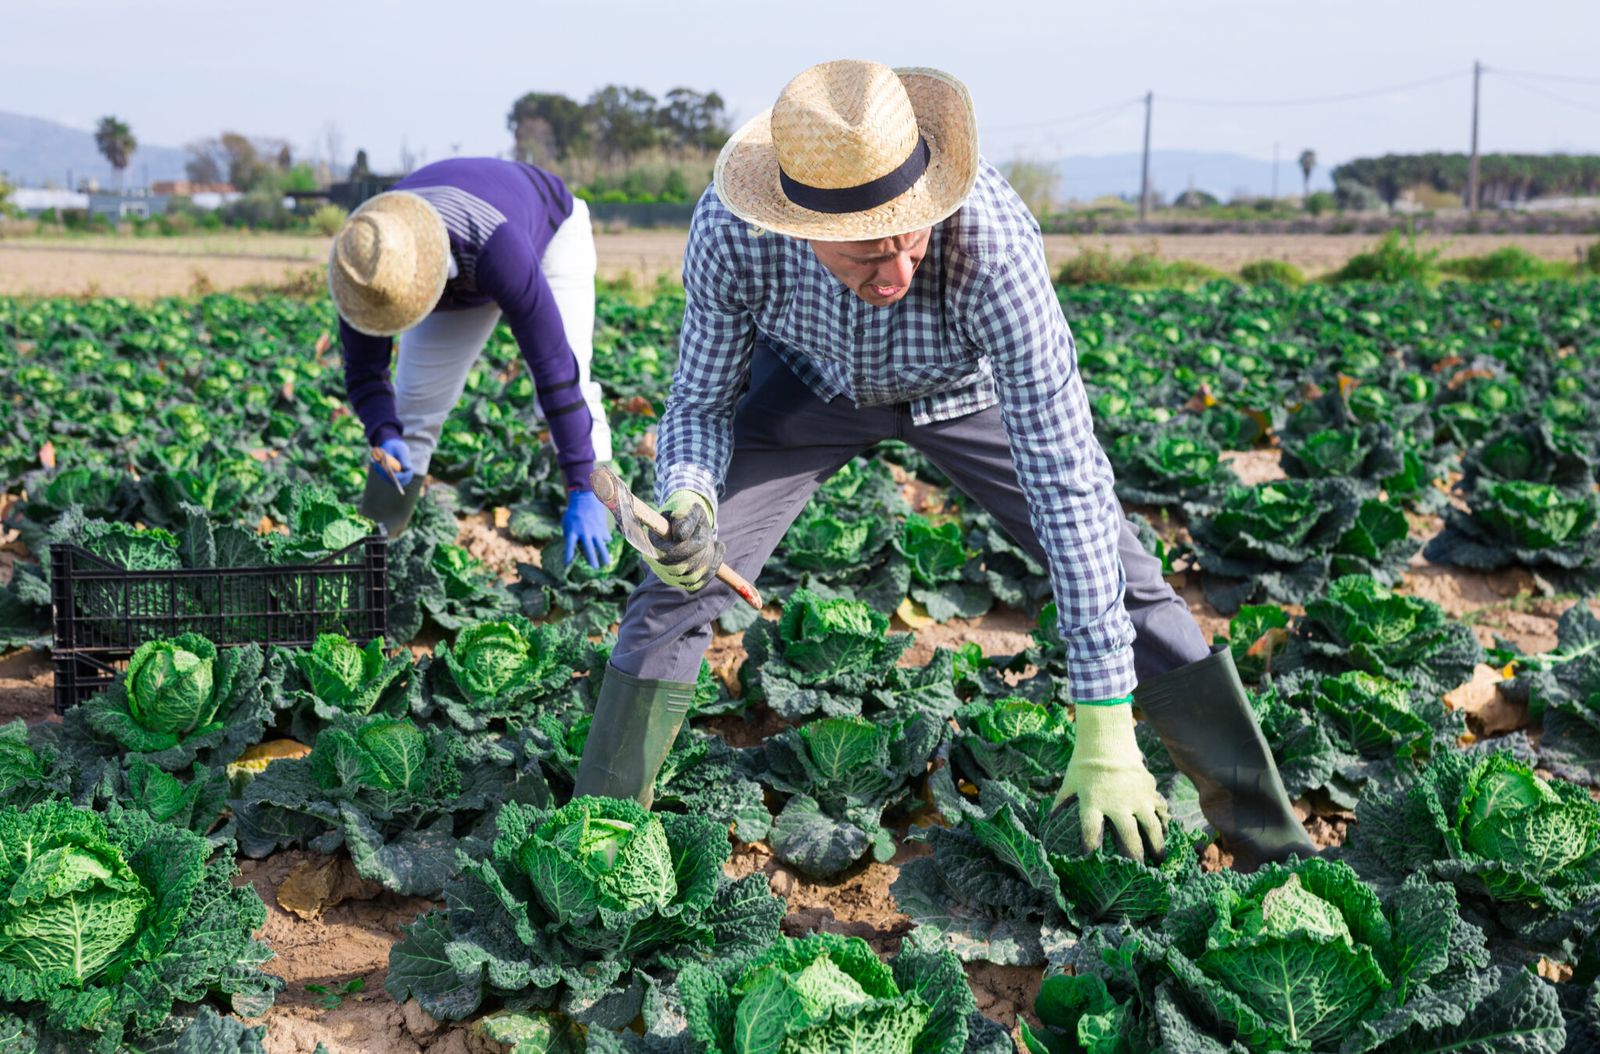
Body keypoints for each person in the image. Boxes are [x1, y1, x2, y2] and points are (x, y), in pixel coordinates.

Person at [572, 60, 1314, 871]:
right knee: (676, 585)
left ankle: (1271, 846)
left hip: (964, 395)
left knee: (1126, 577)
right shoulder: (734, 231)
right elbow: (701, 402)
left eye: (910, 241)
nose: (895, 274)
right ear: (798, 225)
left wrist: (1105, 717)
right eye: (865, 256)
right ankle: (599, 846)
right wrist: (691, 498)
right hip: (809, 391)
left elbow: (1067, 475)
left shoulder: (992, 243)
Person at [329, 157, 613, 567]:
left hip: (546, 232)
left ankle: (603, 529)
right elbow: (363, 371)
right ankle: (375, 559)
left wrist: (583, 486)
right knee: (412, 410)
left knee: (575, 383)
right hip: (456, 250)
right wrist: (384, 433)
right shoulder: (363, 260)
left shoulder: (499, 247)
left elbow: (553, 366)